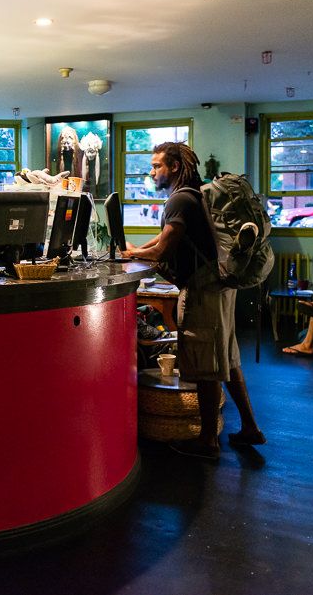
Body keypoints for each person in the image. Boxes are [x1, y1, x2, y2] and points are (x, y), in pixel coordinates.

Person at [123, 142, 264, 459]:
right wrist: (133, 250)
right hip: (222, 284)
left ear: (173, 167)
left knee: (205, 366)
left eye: (157, 165)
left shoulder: (178, 199)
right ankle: (251, 428)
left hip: (203, 289)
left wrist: (132, 253)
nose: (152, 171)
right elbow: (166, 237)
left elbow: (162, 250)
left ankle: (206, 441)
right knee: (227, 358)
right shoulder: (195, 194)